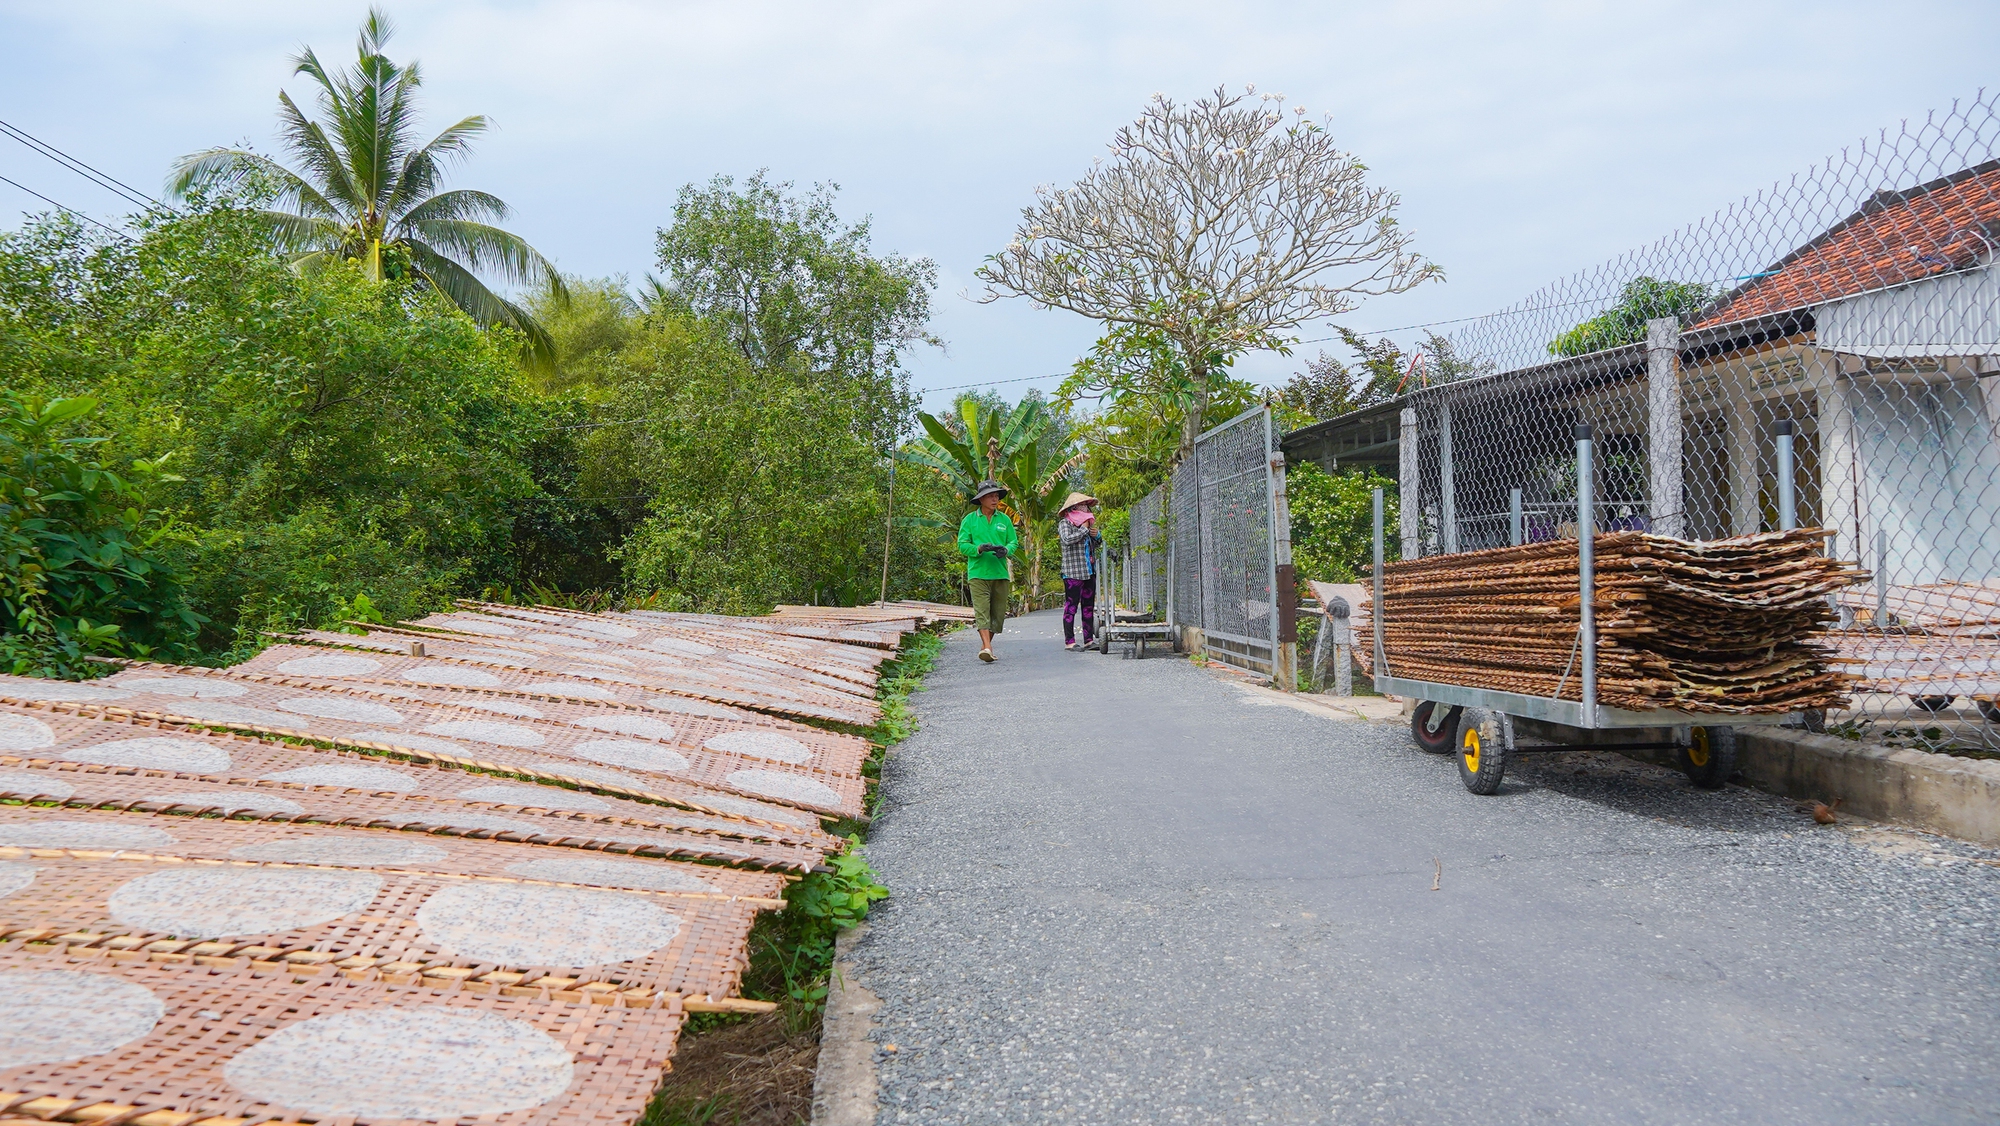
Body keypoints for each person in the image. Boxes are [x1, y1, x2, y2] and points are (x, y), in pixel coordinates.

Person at [957, 479, 1019, 663]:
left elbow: (1013, 542)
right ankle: (988, 647)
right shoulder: (969, 520)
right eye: (990, 496)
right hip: (978, 573)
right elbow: (962, 545)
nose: (994, 499)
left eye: (996, 496)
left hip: (1000, 573)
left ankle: (985, 646)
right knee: (982, 612)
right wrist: (978, 549)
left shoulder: (1004, 520)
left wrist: (1006, 550)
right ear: (981, 499)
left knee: (997, 616)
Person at [1055, 491, 1101, 650]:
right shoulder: (1065, 523)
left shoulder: (1087, 524)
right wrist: (1084, 529)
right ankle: (1069, 642)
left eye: (1086, 505)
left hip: (1089, 571)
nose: (1086, 508)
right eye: (1082, 505)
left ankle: (1089, 640)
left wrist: (1096, 536)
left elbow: (1094, 545)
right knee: (1071, 607)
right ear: (1073, 508)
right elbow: (1067, 539)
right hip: (1072, 572)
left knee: (1088, 607)